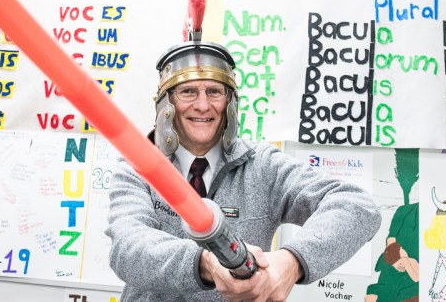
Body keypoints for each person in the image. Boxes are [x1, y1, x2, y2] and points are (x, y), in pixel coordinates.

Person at [106, 40, 381, 301]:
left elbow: (356, 206)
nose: (202, 105)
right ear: (167, 103)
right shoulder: (138, 166)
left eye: (214, 92)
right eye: (187, 91)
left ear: (230, 103)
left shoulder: (263, 165)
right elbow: (127, 248)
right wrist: (206, 264)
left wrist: (292, 261)